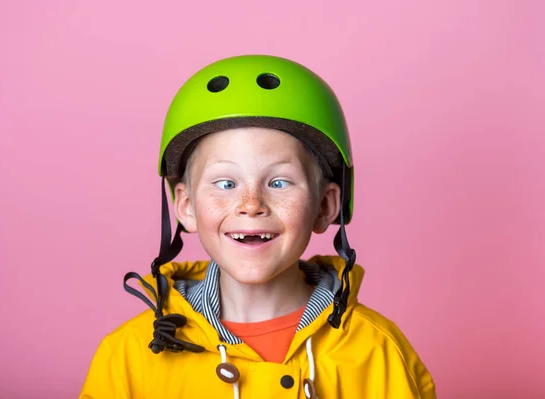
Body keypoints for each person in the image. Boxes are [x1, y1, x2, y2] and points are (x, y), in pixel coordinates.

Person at [80, 54, 436, 398]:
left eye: (279, 182)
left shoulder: (379, 352)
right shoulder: (128, 357)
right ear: (186, 207)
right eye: (226, 184)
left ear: (326, 206)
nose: (251, 205)